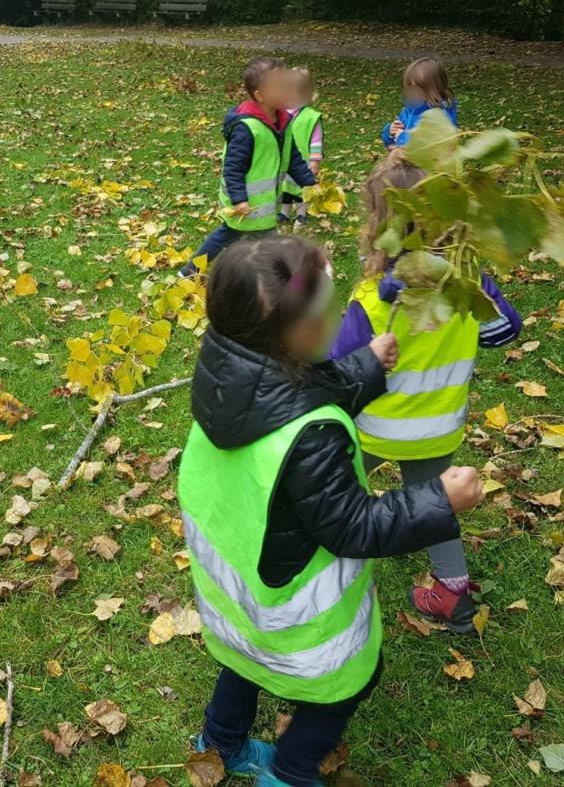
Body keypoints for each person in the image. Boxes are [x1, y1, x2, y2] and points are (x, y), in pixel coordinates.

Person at [178, 236, 484, 786]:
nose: (340, 314)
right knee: (349, 683)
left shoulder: (228, 371)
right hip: (291, 609)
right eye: (330, 308)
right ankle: (291, 772)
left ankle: (219, 745)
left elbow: (303, 390)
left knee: (242, 665)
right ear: (299, 334)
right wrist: (439, 499)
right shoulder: (312, 434)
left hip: (238, 592)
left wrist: (366, 367)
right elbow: (352, 525)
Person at [329, 153, 521, 632]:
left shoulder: (373, 298)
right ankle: (452, 594)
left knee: (336, 499)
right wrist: (485, 290)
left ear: (379, 225)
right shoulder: (468, 287)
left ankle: (329, 580)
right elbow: (504, 334)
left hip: (371, 434)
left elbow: (336, 373)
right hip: (438, 431)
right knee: (436, 507)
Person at [180, 58, 317, 277]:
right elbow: (233, 168)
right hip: (245, 205)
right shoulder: (246, 128)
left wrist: (310, 183)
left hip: (263, 207)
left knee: (240, 237)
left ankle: (267, 276)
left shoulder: (283, 122)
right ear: (260, 95)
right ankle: (191, 270)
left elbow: (292, 158)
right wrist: (239, 199)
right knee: (235, 237)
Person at [279, 66, 323, 230]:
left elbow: (316, 140)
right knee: (285, 188)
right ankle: (284, 212)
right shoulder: (281, 112)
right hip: (284, 158)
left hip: (302, 160)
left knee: (301, 188)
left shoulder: (311, 116)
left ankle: (301, 214)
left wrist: (315, 160)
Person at [380, 56, 458, 150]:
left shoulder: (441, 115)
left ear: (434, 89)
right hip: (404, 161)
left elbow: (432, 147)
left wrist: (403, 138)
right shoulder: (411, 108)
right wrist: (390, 132)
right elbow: (390, 143)